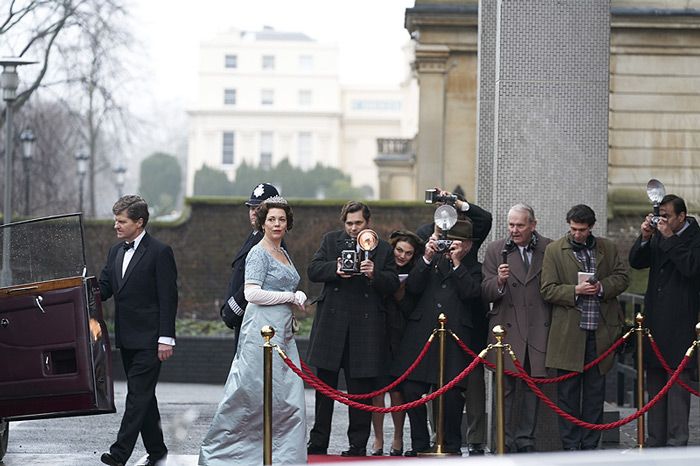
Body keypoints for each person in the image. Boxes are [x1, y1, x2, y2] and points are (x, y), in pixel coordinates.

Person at [199, 197, 307, 465]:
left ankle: (282, 457)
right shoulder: (258, 252)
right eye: (271, 219)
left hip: (282, 332)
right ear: (263, 222)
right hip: (261, 330)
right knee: (248, 394)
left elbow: (285, 287)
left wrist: (297, 295)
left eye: (281, 219)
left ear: (288, 222)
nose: (277, 224)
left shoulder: (283, 251)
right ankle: (225, 455)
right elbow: (251, 293)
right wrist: (290, 297)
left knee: (287, 397)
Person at [306, 201, 400, 457]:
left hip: (365, 328)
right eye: (349, 223)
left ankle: (357, 445)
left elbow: (392, 283)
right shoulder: (330, 241)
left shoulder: (381, 249)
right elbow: (313, 270)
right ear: (343, 223)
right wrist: (335, 268)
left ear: (367, 223)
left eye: (358, 223)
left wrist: (374, 274)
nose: (353, 228)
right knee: (324, 390)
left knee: (360, 392)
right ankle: (318, 441)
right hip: (332, 326)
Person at [540, 204, 628, 451]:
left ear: (591, 228)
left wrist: (601, 288)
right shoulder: (555, 250)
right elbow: (546, 289)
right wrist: (575, 291)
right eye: (573, 229)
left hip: (599, 334)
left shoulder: (607, 248)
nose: (576, 234)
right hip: (569, 335)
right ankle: (570, 447)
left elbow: (622, 278)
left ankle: (590, 447)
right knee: (567, 396)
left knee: (594, 396)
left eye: (581, 230)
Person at [98, 195, 178, 466]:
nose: (116, 226)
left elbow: (169, 298)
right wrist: (80, 290)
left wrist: (166, 339)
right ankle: (157, 451)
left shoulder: (160, 251)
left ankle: (120, 454)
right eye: (115, 221)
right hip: (127, 338)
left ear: (139, 222)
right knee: (144, 398)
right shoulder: (115, 251)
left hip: (151, 340)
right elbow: (104, 289)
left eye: (121, 221)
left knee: (136, 398)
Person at [393, 219, 482, 456]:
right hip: (422, 335)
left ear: (468, 245)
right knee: (411, 388)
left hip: (454, 338)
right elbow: (412, 287)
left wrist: (456, 263)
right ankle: (419, 442)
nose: (451, 246)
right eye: (448, 240)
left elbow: (472, 293)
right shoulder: (429, 261)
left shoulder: (473, 267)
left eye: (457, 242)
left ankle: (452, 444)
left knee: (452, 393)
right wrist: (426, 257)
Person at [416, 188, 491, 456]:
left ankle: (476, 439)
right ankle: (440, 436)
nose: (446, 214)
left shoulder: (468, 232)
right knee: (437, 384)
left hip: (468, 329)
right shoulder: (428, 232)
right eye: (442, 208)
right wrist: (435, 237)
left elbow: (485, 219)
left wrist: (458, 203)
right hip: (437, 329)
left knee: (472, 388)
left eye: (450, 208)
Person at [628, 194, 700, 447]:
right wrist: (646, 237)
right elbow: (636, 262)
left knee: (678, 388)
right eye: (660, 215)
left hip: (682, 324)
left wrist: (668, 237)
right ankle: (654, 441)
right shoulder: (659, 234)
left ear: (682, 216)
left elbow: (691, 268)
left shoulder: (694, 238)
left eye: (667, 216)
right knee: (655, 386)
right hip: (655, 324)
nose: (663, 220)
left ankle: (676, 444)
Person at [481, 203, 552, 453]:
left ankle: (526, 439)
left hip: (538, 329)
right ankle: (504, 440)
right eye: (511, 224)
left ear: (533, 224)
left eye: (520, 225)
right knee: (506, 390)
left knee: (533, 388)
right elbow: (485, 290)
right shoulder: (495, 249)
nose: (514, 230)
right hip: (506, 330)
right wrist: (499, 281)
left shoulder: (549, 248)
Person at [370, 230, 424, 457]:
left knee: (398, 390)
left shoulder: (417, 273)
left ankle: (399, 438)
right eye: (399, 250)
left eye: (408, 253)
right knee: (377, 390)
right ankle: (378, 439)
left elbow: (414, 308)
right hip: (378, 331)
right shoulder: (382, 266)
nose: (402, 256)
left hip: (402, 335)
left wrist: (401, 294)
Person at [219, 182, 280, 354]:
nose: (254, 211)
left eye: (259, 207)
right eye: (251, 207)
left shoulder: (268, 242)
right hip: (245, 320)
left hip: (254, 321)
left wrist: (231, 311)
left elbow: (255, 283)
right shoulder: (255, 236)